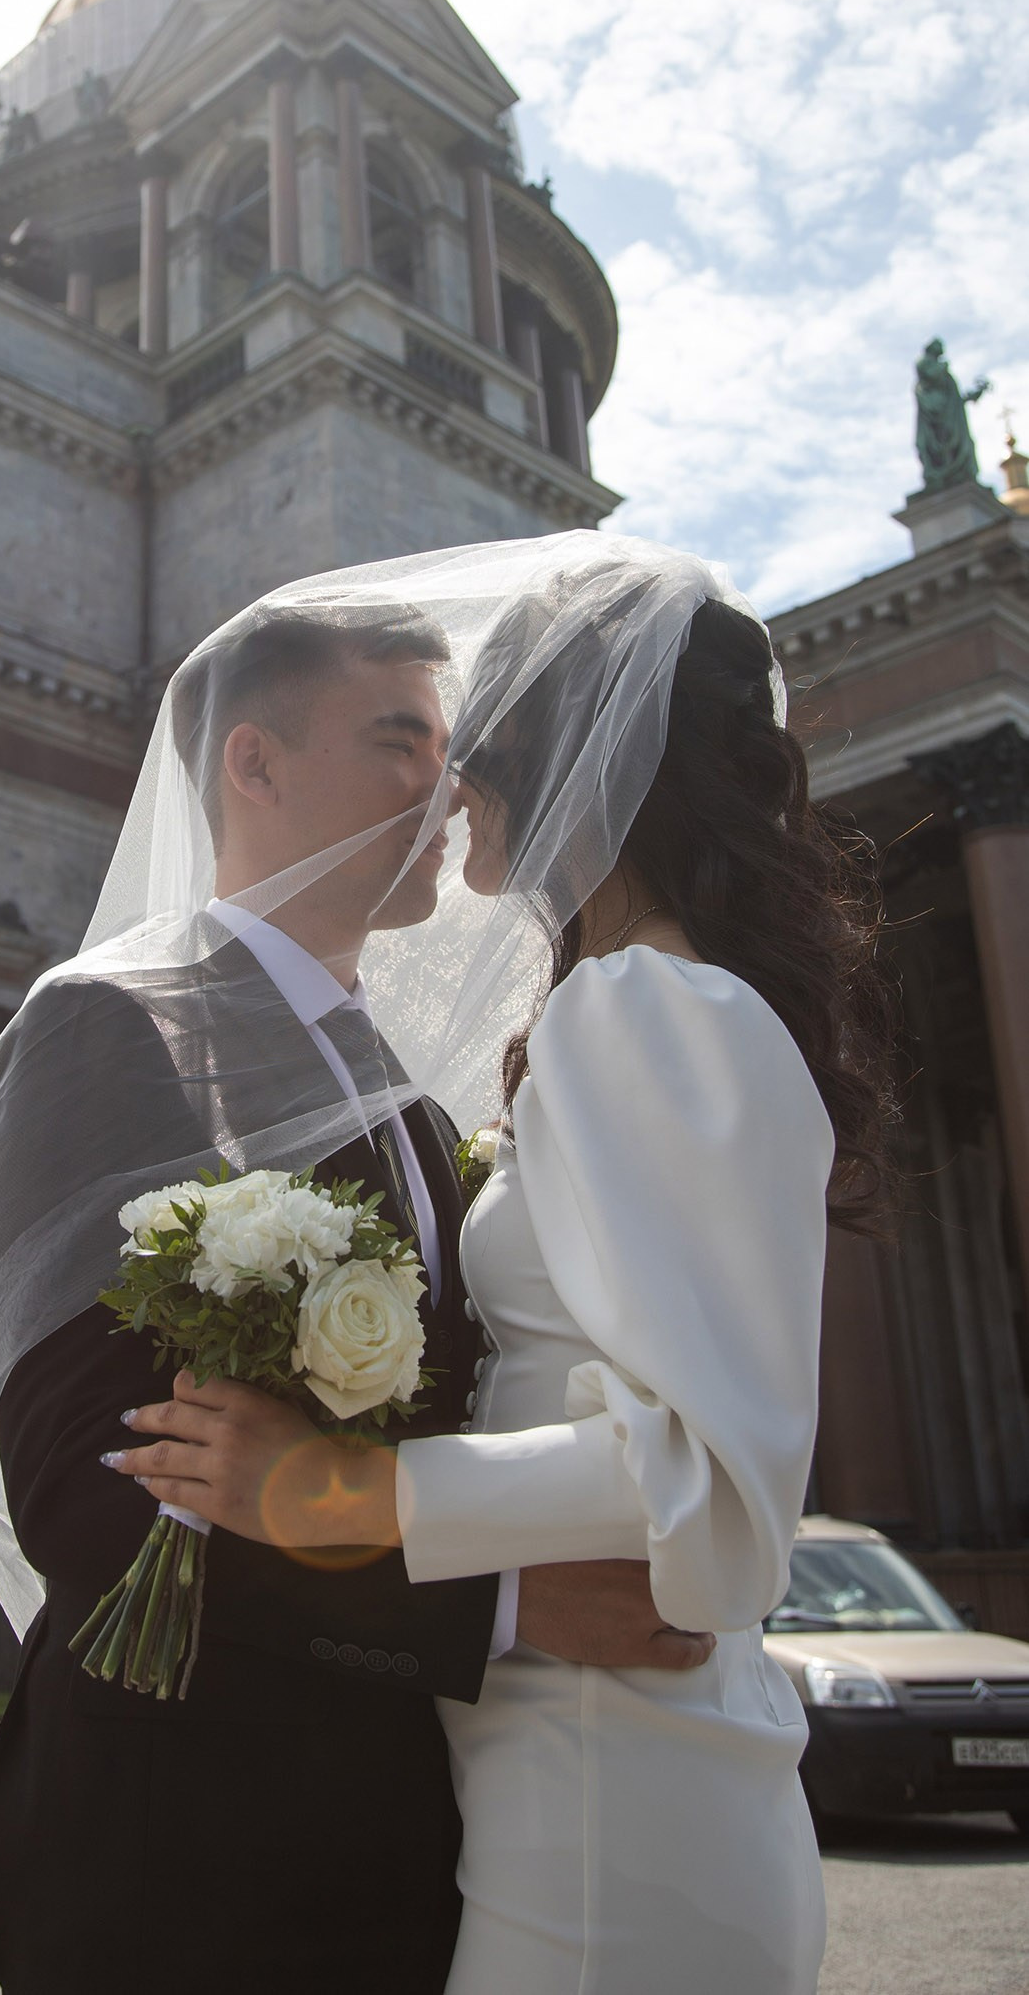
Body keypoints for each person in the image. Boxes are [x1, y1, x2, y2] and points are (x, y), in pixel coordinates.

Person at [111, 545, 898, 1995]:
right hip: (589, 1760)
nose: (451, 775)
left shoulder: (643, 1004)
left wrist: (342, 1488)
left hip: (615, 1788)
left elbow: (715, 1485)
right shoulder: (643, 1002)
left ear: (584, 756)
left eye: (476, 734)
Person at [0, 590, 716, 1995]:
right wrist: (504, 1609)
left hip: (401, 1853)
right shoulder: (109, 1031)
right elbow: (87, 1493)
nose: (452, 787)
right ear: (254, 764)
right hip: (176, 1861)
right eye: (400, 741)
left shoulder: (422, 1109)